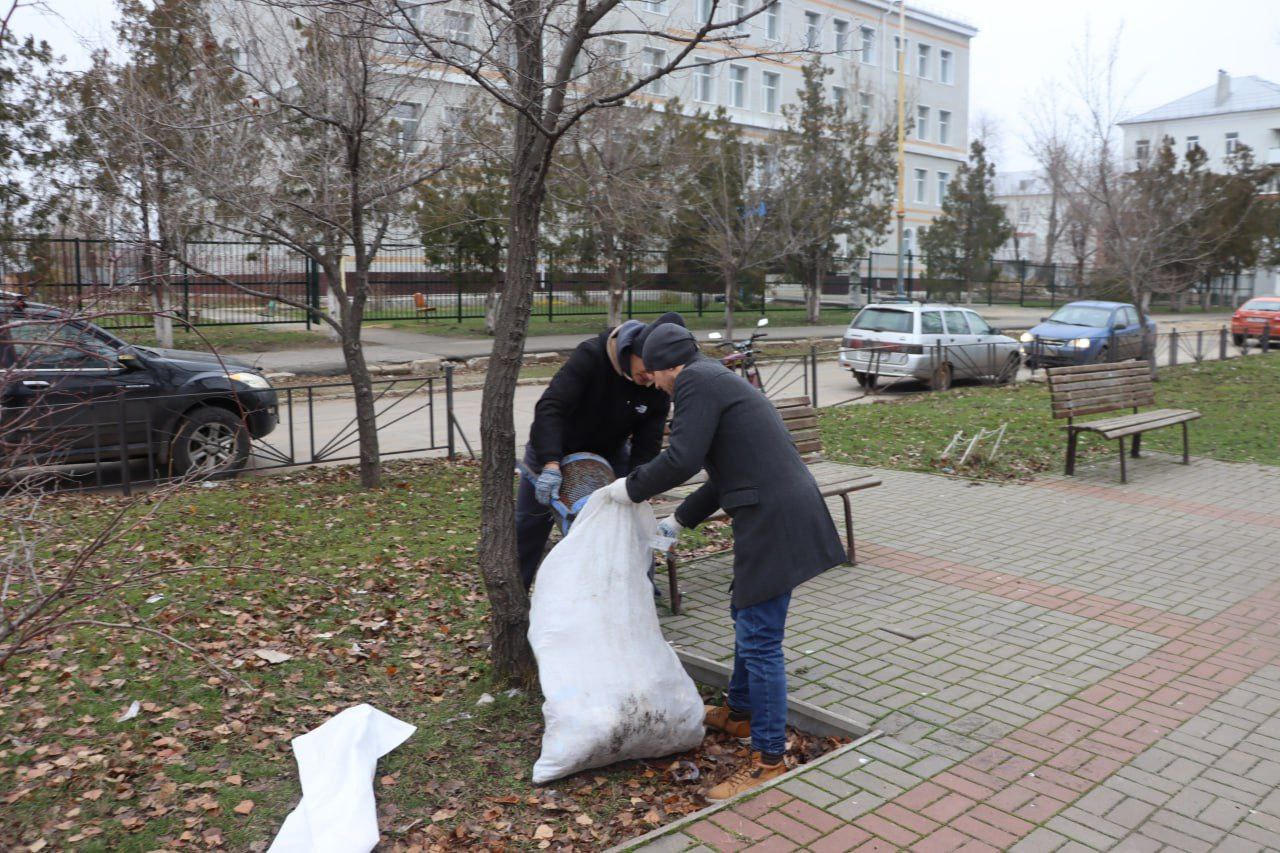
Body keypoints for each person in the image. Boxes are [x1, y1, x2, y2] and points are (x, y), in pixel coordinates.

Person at [601, 322, 847, 800]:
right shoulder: (712, 379)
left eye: (655, 376)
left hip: (777, 519)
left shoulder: (697, 382)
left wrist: (626, 489)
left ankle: (769, 757)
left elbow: (684, 459)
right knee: (746, 615)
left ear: (671, 366)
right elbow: (724, 470)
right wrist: (679, 520)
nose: (655, 385)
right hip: (773, 512)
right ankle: (738, 715)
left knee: (760, 639)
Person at [517, 312, 685, 589]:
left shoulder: (657, 383)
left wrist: (637, 486)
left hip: (609, 453)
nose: (650, 379)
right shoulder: (591, 356)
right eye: (646, 370)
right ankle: (515, 597)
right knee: (529, 527)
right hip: (553, 448)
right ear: (631, 352)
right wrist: (549, 462)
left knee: (627, 521)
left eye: (656, 374)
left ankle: (636, 589)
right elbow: (551, 408)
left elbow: (648, 442)